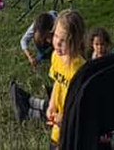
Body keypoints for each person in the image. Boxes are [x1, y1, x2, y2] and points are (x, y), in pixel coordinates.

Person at [46, 9, 87, 148]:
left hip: (73, 126)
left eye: (63, 40)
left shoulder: (80, 70)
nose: (57, 43)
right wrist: (52, 104)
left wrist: (65, 118)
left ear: (75, 41)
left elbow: (83, 105)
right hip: (58, 125)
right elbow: (58, 82)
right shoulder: (56, 57)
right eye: (56, 36)